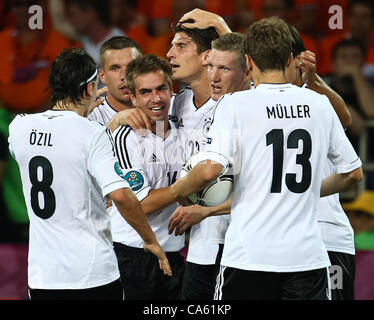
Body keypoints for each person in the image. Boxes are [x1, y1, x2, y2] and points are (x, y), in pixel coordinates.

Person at [168, 17, 363, 300]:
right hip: (307, 257)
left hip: (249, 257)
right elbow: (353, 174)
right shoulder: (318, 104)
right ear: (289, 59)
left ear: (247, 63)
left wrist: (175, 192)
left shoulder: (234, 104)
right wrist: (306, 192)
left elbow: (210, 171)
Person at [8, 48, 171, 300]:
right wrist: (150, 241)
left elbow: (59, 153)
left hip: (43, 277)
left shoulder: (19, 127)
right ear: (87, 90)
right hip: (91, 274)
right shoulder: (92, 134)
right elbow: (121, 195)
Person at [110, 54, 185, 300]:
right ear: (132, 97)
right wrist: (188, 185)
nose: (156, 99)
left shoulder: (182, 129)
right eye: (145, 92)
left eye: (161, 88)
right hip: (134, 254)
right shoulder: (126, 138)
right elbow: (140, 204)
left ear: (171, 89)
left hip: (175, 253)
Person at [0, 0, 72, 113]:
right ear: (11, 9)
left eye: (30, 4)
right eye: (18, 4)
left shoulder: (58, 40)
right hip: (5, 119)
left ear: (42, 7)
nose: (24, 9)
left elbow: (65, 87)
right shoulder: (2, 40)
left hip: (46, 118)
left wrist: (37, 117)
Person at [88, 36, 143, 125]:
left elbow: (163, 137)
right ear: (102, 76)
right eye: (115, 68)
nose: (124, 76)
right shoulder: (90, 117)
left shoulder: (166, 106)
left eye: (132, 67)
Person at [66, 0, 125, 65]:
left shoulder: (121, 44)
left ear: (91, 12)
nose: (71, 20)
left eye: (73, 14)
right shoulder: (81, 43)